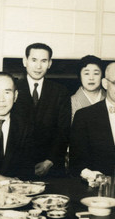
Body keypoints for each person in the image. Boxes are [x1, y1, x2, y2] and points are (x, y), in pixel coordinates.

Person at [12, 43, 71, 176]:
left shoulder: (60, 91)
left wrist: (50, 161)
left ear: (50, 63)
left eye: (43, 61)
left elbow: (64, 130)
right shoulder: (12, 88)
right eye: (34, 60)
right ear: (25, 61)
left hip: (52, 166)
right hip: (16, 165)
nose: (38, 66)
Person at [71, 55, 105, 122]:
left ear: (102, 76)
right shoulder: (71, 102)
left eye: (96, 73)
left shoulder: (110, 99)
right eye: (86, 73)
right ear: (80, 76)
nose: (91, 78)